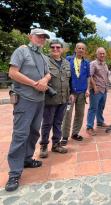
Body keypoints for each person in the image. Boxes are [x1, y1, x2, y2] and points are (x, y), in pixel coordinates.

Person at [6, 28, 51, 191]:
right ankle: (14, 174)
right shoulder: (21, 51)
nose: (42, 39)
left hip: (40, 100)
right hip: (24, 99)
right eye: (39, 36)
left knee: (34, 132)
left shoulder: (42, 56)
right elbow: (13, 73)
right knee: (20, 134)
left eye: (44, 37)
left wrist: (45, 80)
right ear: (31, 37)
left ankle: (27, 159)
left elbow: (48, 74)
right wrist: (34, 84)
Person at [39, 39, 74, 158]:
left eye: (58, 47)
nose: (55, 49)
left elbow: (70, 80)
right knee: (47, 123)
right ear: (50, 48)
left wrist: (71, 93)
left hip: (64, 98)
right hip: (50, 98)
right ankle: (43, 145)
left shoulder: (66, 63)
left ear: (62, 49)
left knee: (58, 122)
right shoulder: (45, 61)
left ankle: (56, 144)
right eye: (53, 47)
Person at [61, 43, 91, 145]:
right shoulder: (68, 60)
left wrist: (87, 89)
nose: (81, 50)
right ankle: (65, 136)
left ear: (84, 51)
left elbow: (88, 76)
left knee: (80, 114)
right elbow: (63, 75)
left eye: (83, 48)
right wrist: (67, 91)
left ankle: (75, 133)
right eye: (79, 48)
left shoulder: (86, 62)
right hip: (71, 94)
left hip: (82, 93)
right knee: (67, 114)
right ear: (75, 49)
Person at [86, 47, 110, 135]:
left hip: (104, 90)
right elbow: (90, 76)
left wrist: (107, 86)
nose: (102, 55)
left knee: (101, 107)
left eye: (103, 53)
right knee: (93, 108)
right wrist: (95, 87)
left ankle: (100, 122)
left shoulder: (105, 64)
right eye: (100, 53)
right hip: (96, 90)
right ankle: (89, 127)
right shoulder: (93, 64)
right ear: (97, 54)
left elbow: (106, 76)